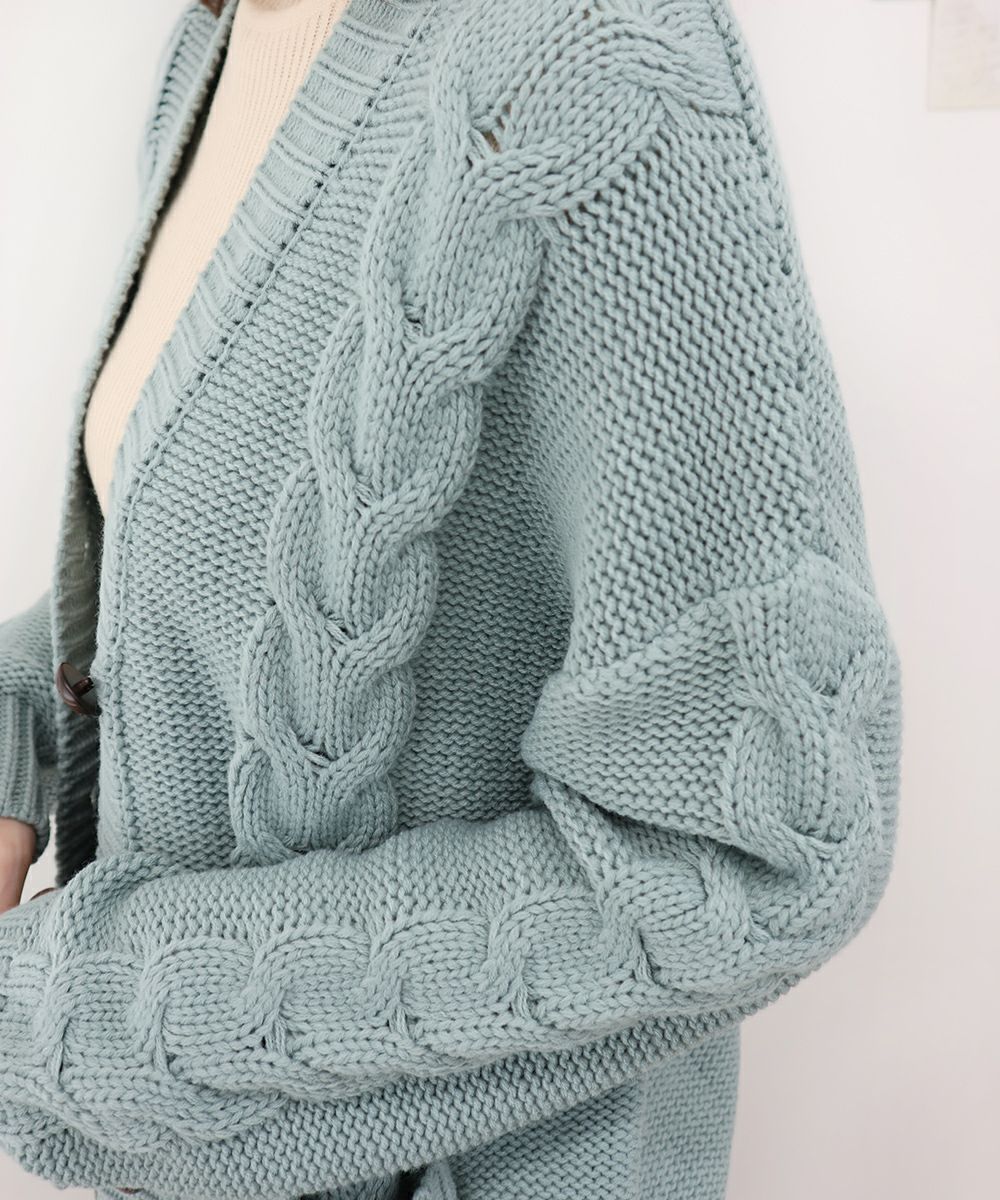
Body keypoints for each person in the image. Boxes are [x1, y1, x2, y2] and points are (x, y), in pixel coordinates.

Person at [0, 1, 903, 1198]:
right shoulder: (214, 49)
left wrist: (82, 1016)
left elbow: (767, 845)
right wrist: (15, 721)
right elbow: (207, 560)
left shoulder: (589, 59)